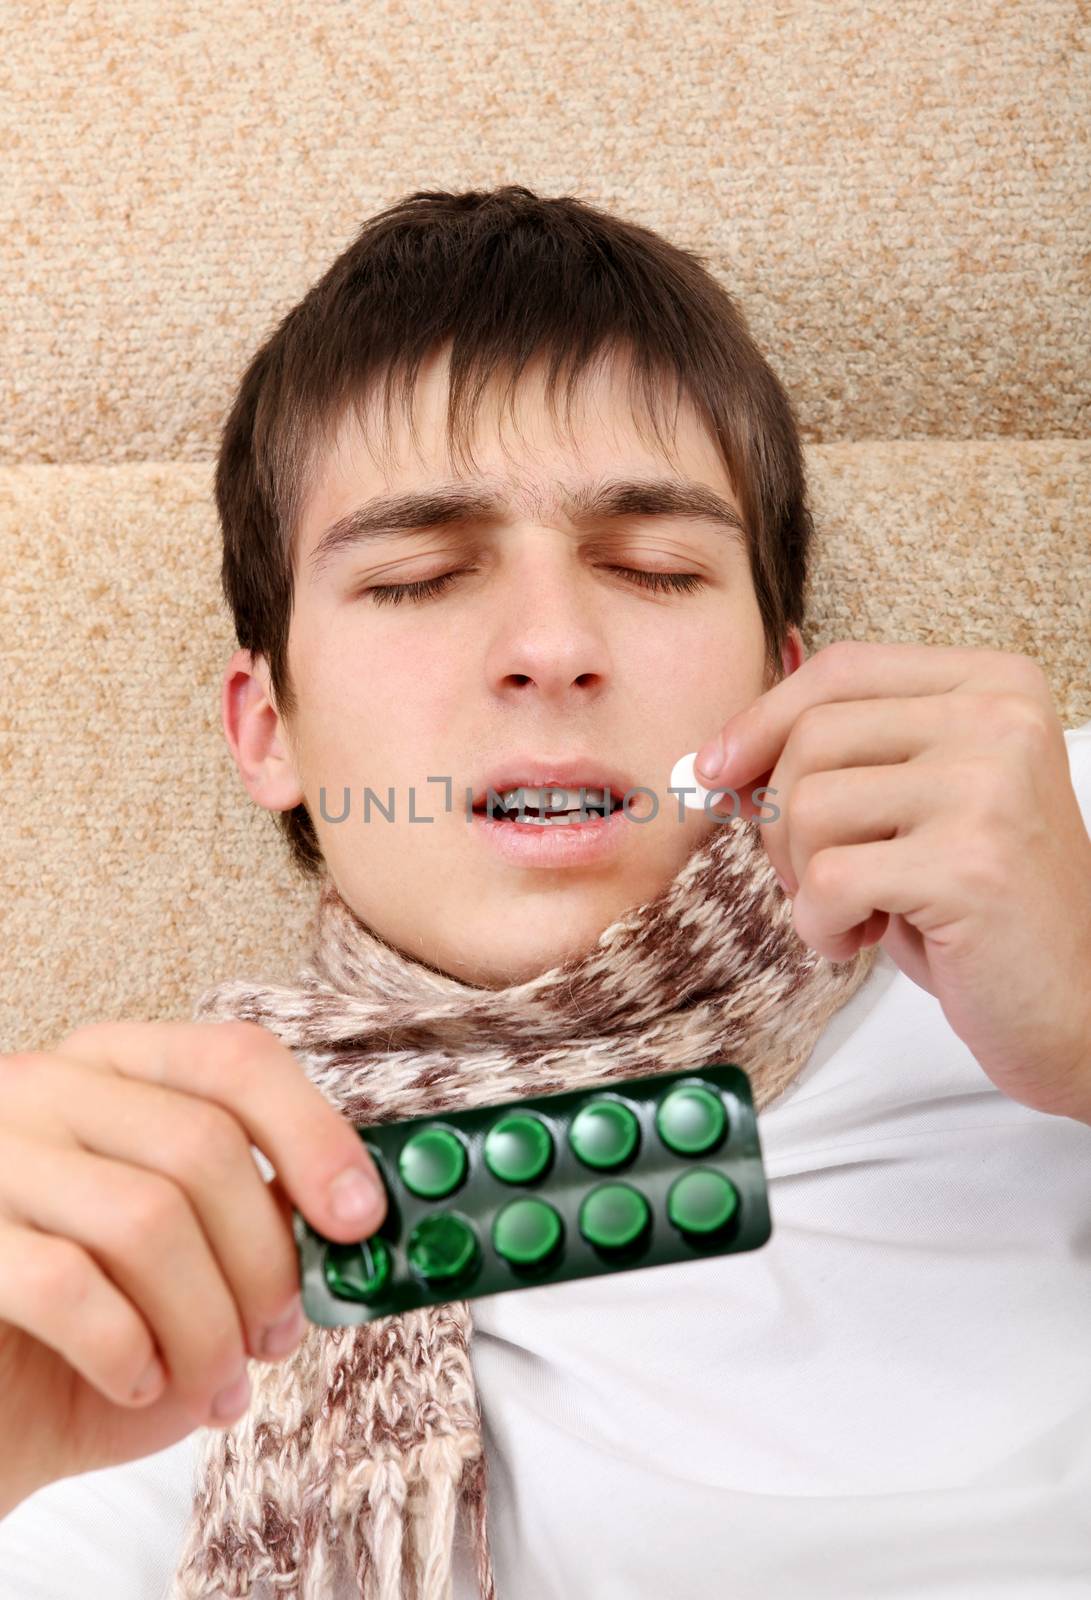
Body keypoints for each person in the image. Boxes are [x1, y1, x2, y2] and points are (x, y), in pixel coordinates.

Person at [1, 185, 1089, 1599]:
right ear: (267, 729)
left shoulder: (1045, 844)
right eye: (418, 577)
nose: (552, 645)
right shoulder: (144, 1253)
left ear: (785, 676)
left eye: (652, 567)